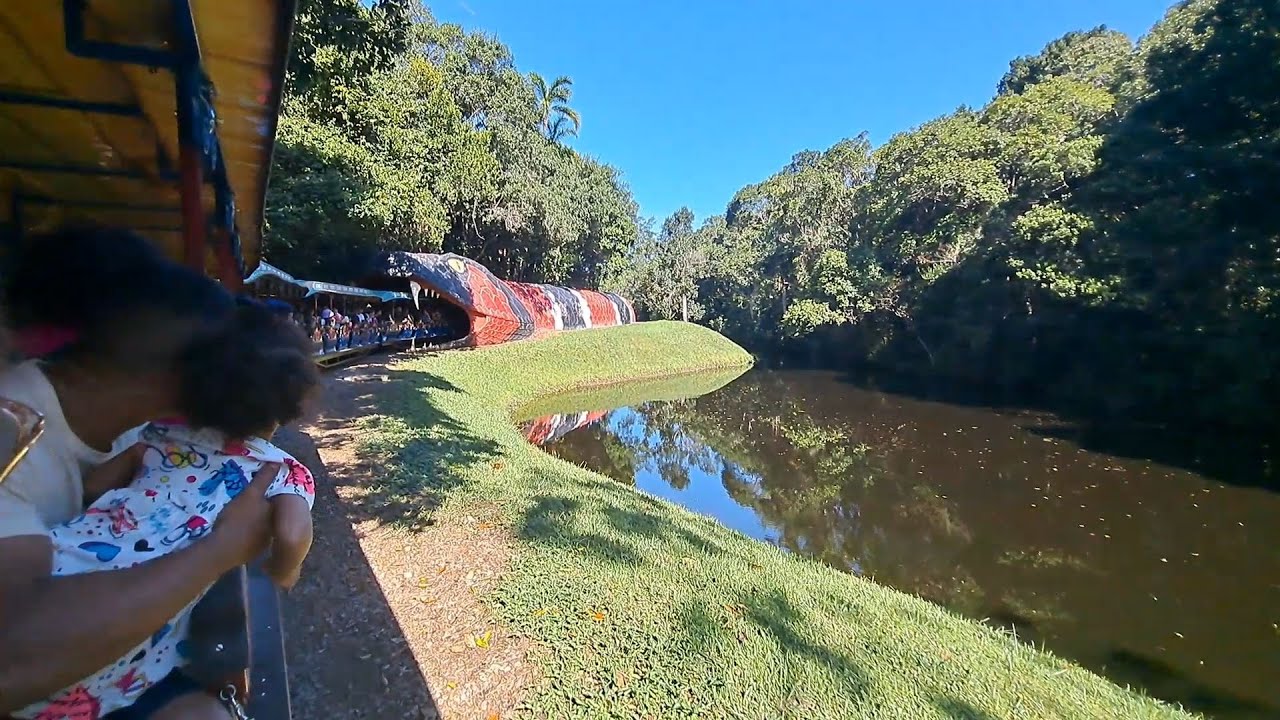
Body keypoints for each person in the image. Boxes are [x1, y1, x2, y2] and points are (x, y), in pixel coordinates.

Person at [0, 227, 286, 719]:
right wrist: (218, 552)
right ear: (174, 371)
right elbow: (9, 659)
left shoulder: (133, 429)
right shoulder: (11, 431)